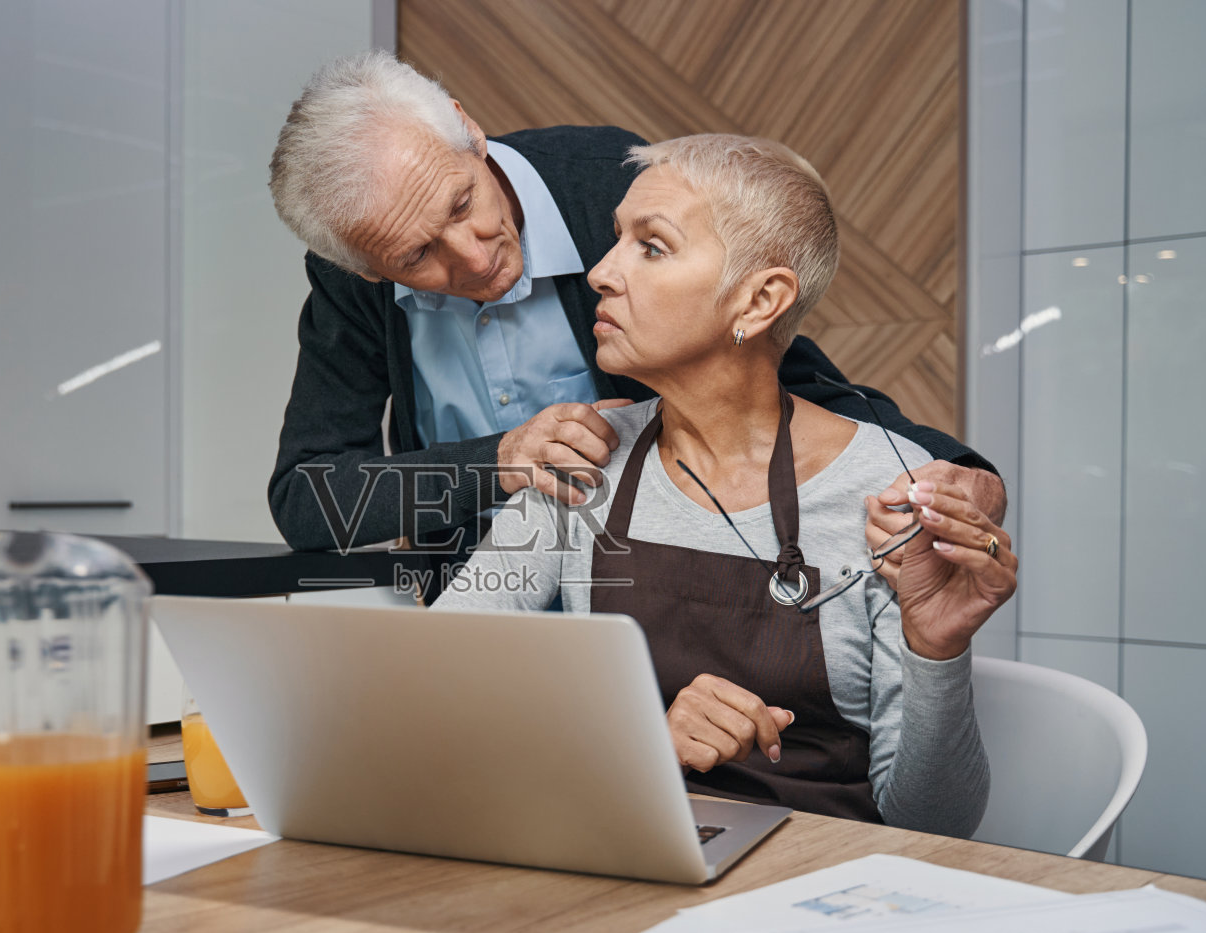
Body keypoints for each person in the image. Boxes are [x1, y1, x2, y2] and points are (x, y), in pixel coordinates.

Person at [433, 134, 1018, 836]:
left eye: (651, 247)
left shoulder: (890, 498)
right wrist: (639, 742)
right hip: (634, 858)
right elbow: (438, 693)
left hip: (827, 891)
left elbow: (933, 824)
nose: (599, 273)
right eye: (615, 239)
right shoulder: (583, 458)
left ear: (759, 300)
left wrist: (937, 650)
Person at [265, 52, 1002, 573]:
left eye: (465, 203)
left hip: (652, 602)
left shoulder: (610, 193)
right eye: (418, 257)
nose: (474, 257)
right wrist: (499, 463)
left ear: (465, 126)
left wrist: (953, 468)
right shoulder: (354, 284)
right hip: (479, 612)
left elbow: (772, 372)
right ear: (367, 266)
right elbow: (308, 497)